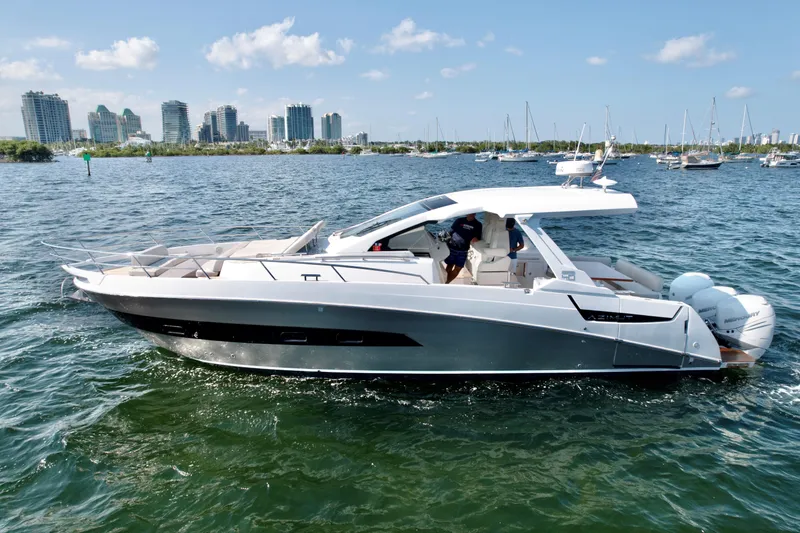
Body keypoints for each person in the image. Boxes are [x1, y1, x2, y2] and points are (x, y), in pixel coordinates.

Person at [444, 214, 482, 283]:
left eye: (473, 213)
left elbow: (478, 237)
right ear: (467, 213)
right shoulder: (459, 220)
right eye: (470, 213)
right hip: (452, 248)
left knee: (458, 268)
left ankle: (446, 282)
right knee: (449, 265)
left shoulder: (478, 224)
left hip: (463, 250)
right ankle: (443, 282)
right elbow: (450, 231)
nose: (471, 215)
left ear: (475, 214)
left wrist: (476, 238)